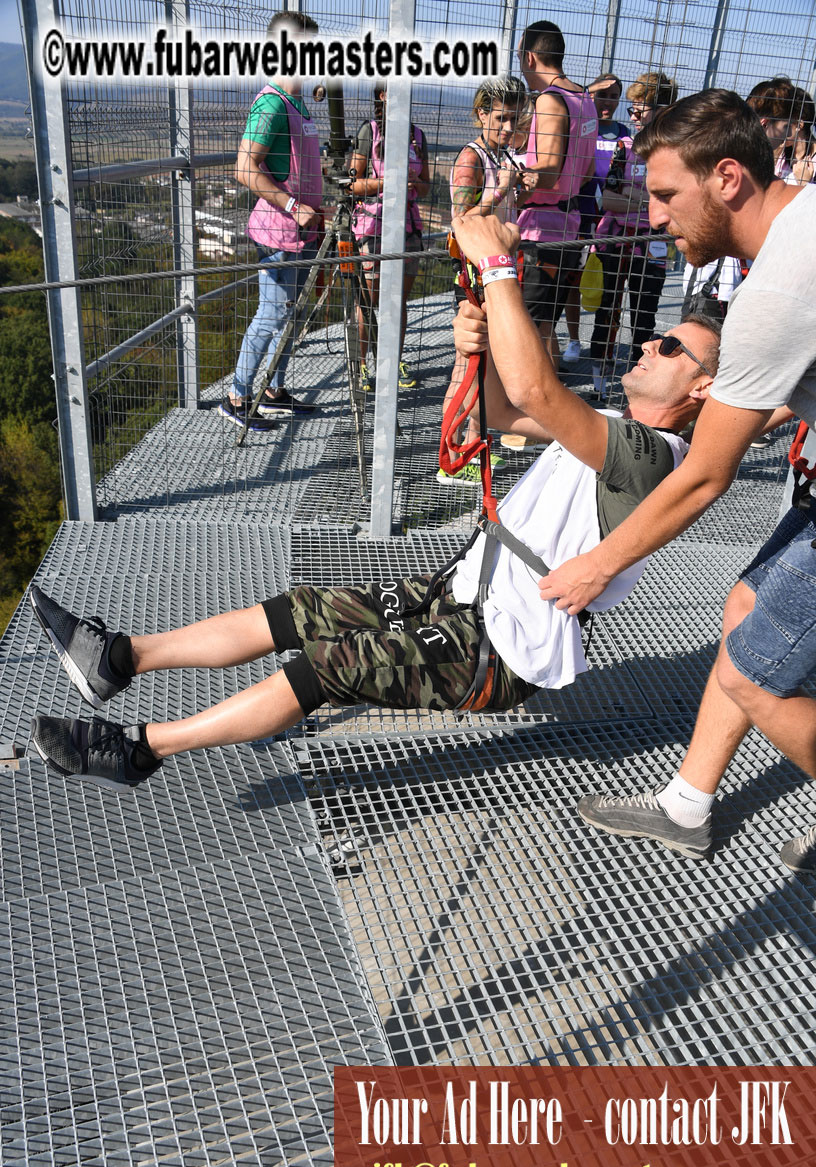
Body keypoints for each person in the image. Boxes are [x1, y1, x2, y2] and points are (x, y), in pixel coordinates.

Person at [27, 214, 722, 792]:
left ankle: (139, 749)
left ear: (697, 393)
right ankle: (118, 657)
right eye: (660, 337)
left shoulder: (654, 459)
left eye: (671, 348)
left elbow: (538, 394)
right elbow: (505, 410)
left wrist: (499, 271)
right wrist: (467, 350)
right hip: (463, 596)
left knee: (329, 664)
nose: (650, 345)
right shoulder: (613, 430)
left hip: (499, 646)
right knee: (300, 612)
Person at [533, 89, 815, 872]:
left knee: (758, 676)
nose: (653, 217)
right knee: (748, 608)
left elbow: (703, 479)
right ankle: (688, 805)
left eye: (665, 195)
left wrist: (598, 563)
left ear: (727, 178)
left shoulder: (777, 289)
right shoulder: (804, 222)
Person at [220, 9, 322, 431]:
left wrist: (315, 206)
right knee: (272, 314)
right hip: (282, 231)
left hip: (301, 231)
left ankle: (275, 391)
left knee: (291, 315)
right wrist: (295, 205)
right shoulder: (271, 103)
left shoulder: (295, 102)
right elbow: (245, 168)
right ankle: (238, 395)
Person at [437, 75, 531, 486]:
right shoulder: (470, 159)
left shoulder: (502, 156)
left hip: (500, 268)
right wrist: (501, 192)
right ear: (481, 115)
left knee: (488, 363)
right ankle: (451, 452)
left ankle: (475, 443)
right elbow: (461, 221)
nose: (510, 129)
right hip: (475, 273)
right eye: (502, 119)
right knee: (467, 363)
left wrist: (519, 190)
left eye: (515, 120)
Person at [515, 21, 598, 369]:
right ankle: (551, 401)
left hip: (539, 229)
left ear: (530, 58)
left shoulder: (550, 101)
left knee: (526, 327)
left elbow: (547, 169)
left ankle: (526, 409)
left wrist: (512, 183)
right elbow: (588, 171)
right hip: (570, 223)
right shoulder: (584, 98)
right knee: (546, 324)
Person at [589, 72, 678, 397]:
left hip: (652, 245)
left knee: (644, 318)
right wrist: (645, 198)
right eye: (632, 108)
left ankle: (640, 386)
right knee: (606, 310)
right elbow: (607, 198)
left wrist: (633, 196)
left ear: (662, 109)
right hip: (614, 240)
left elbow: (671, 203)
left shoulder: (675, 151)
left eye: (641, 108)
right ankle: (599, 388)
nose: (633, 115)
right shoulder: (624, 146)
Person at [349, 82, 430, 392]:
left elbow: (425, 186)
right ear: (381, 95)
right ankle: (361, 364)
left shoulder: (418, 136)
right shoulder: (369, 132)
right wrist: (384, 182)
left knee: (398, 300)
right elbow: (351, 186)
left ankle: (393, 360)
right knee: (368, 300)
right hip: (373, 227)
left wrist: (412, 182)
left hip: (407, 226)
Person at [561, 74, 628, 366]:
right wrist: (586, 94)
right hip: (581, 217)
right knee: (573, 282)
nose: (608, 102)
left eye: (614, 97)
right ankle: (574, 340)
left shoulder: (626, 135)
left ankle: (603, 345)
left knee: (610, 285)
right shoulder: (582, 128)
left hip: (613, 224)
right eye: (602, 95)